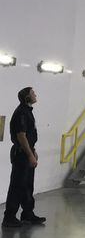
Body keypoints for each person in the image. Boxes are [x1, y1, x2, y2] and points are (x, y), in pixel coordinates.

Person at [2, 87, 46, 228]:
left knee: (27, 185)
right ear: (26, 97)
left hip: (27, 152)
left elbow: (29, 136)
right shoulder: (21, 112)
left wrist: (33, 151)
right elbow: (21, 136)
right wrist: (29, 154)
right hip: (21, 155)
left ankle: (27, 214)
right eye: (33, 93)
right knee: (17, 185)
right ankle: (9, 217)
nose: (35, 95)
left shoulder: (27, 111)